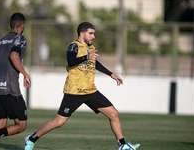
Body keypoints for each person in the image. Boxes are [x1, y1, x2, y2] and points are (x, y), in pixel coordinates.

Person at [24, 22, 140, 150]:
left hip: (90, 91)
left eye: (94, 33)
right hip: (74, 92)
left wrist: (111, 74)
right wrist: (86, 56)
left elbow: (94, 63)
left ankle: (123, 145)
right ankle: (31, 138)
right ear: (82, 33)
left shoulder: (91, 47)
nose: (93, 36)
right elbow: (71, 61)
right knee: (59, 122)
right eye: (91, 33)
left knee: (113, 114)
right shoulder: (73, 46)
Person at [0, 12, 31, 150]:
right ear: (21, 25)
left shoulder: (1, 41)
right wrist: (25, 74)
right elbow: (14, 55)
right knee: (21, 125)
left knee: (0, 126)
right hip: (10, 88)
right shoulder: (20, 38)